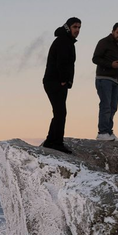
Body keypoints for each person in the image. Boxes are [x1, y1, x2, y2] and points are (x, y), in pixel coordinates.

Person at [42, 17, 80, 153]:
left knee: (59, 112)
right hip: (55, 82)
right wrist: (64, 80)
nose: (77, 30)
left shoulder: (66, 41)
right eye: (75, 27)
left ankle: (50, 140)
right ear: (68, 27)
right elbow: (62, 62)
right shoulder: (64, 41)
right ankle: (56, 142)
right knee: (60, 112)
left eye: (79, 27)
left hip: (55, 81)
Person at [92, 22, 118, 141]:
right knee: (106, 106)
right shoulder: (104, 42)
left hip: (115, 80)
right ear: (113, 31)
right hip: (104, 78)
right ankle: (102, 132)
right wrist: (111, 65)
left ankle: (109, 131)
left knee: (113, 107)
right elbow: (95, 58)